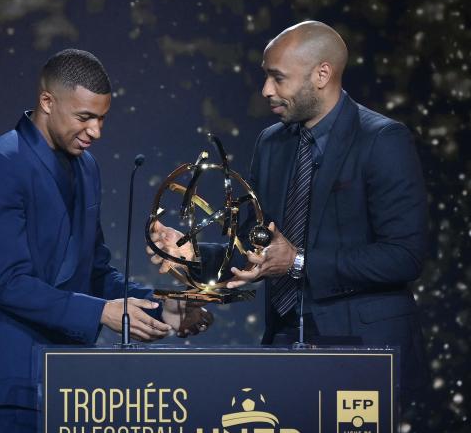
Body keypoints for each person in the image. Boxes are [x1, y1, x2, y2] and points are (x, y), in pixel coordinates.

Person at [0, 49, 210, 433]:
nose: (96, 131)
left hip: (72, 382)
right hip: (11, 380)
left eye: (102, 118)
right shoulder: (1, 164)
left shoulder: (87, 167)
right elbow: (7, 283)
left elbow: (94, 271)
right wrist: (100, 313)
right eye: (84, 117)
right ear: (47, 101)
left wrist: (161, 305)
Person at [148, 21, 428, 393]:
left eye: (278, 78)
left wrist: (298, 262)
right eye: (266, 76)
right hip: (285, 341)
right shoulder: (271, 143)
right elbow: (257, 245)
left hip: (363, 348)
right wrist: (193, 253)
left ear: (322, 74)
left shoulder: (381, 140)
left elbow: (405, 256)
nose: (266, 90)